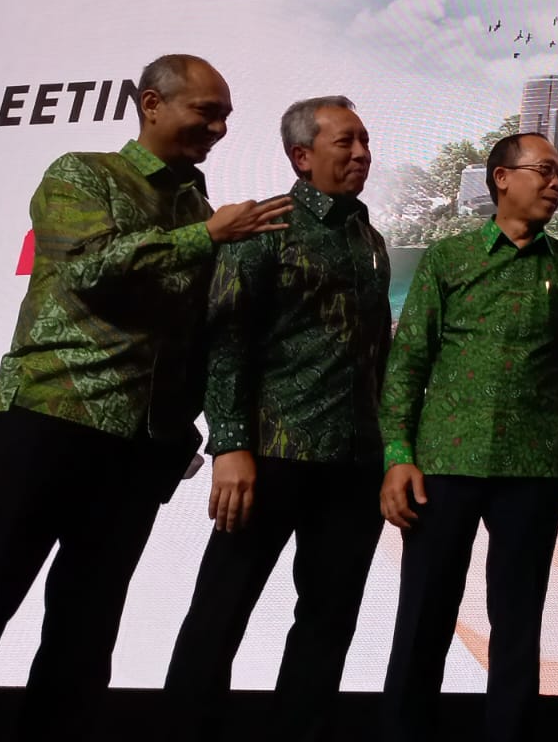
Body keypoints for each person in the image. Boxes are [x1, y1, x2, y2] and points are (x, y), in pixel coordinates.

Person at [0, 54, 291, 738]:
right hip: (44, 421)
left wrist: (199, 432)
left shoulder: (197, 207)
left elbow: (202, 333)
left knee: (85, 638)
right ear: (151, 104)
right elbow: (88, 268)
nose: (220, 128)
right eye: (207, 112)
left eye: (226, 116)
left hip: (138, 450)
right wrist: (208, 236)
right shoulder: (84, 173)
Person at [164, 96, 392, 740]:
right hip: (269, 457)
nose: (361, 153)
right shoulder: (265, 226)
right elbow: (226, 342)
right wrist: (230, 445)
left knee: (329, 622)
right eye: (345, 142)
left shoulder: (370, 239)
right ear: (301, 156)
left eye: (365, 141)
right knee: (219, 612)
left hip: (355, 463)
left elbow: (379, 353)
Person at [377, 132, 558, 742]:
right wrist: (398, 455)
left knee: (518, 621)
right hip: (443, 463)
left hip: (533, 468)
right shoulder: (448, 258)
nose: (557, 183)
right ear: (502, 178)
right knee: (423, 614)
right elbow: (408, 361)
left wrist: (550, 398)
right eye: (545, 171)